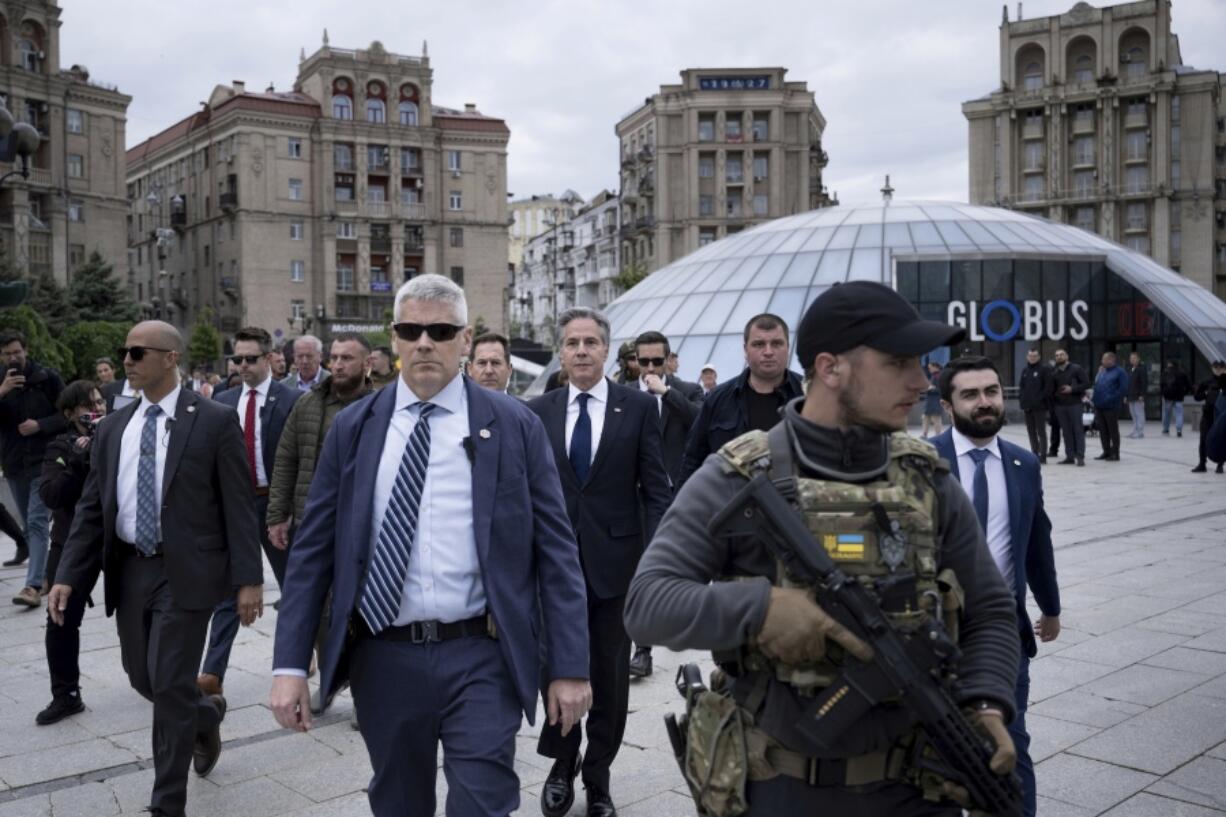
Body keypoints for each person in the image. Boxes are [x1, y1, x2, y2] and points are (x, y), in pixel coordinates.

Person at [624, 281, 1018, 816]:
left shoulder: (926, 478)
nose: (922, 380)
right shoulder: (737, 475)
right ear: (831, 369)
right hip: (779, 787)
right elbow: (647, 605)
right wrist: (760, 610)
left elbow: (992, 609)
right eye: (899, 361)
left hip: (918, 788)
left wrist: (988, 699)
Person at [269, 274, 592, 817]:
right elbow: (312, 553)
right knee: (399, 803)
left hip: (482, 655)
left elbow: (557, 552)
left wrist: (570, 665)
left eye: (440, 330)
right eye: (411, 330)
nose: (424, 342)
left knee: (483, 803)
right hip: (384, 657)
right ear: (393, 339)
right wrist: (289, 665)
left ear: (465, 340)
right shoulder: (353, 429)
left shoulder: (514, 427)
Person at [49, 320, 264, 817]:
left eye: (138, 352)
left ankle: (167, 803)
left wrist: (248, 579)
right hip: (129, 569)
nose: (127, 359)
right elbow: (91, 510)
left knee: (167, 682)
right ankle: (205, 715)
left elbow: (237, 503)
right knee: (142, 679)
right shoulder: (113, 427)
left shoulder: (211, 419)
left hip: (186, 570)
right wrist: (65, 575)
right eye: (124, 351)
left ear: (170, 357)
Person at [527, 307, 671, 817]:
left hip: (618, 568)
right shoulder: (539, 410)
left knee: (609, 678)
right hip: (555, 567)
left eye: (591, 342)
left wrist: (654, 560)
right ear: (561, 353)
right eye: (573, 343)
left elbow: (656, 490)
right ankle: (561, 764)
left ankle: (599, 776)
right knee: (559, 668)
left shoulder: (635, 408)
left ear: (608, 351)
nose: (582, 350)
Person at [932, 356, 1062, 817]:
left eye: (990, 391)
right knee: (936, 752)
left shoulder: (1023, 462)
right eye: (970, 394)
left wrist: (1050, 606)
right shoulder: (923, 464)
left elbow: (1036, 538)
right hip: (936, 634)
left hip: (1004, 631)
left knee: (1012, 742)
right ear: (948, 405)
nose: (984, 402)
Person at [267, 332, 374, 715]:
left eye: (348, 358)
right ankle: (328, 680)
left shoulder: (380, 407)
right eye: (336, 357)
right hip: (314, 523)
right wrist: (278, 515)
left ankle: (366, 695)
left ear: (368, 364)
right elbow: (285, 461)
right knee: (314, 607)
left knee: (361, 612)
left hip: (364, 529)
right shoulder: (307, 404)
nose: (340, 364)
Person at [197, 327, 301, 699]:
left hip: (277, 506)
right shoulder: (222, 401)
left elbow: (301, 460)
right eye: (237, 359)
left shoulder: (290, 400)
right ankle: (211, 674)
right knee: (229, 592)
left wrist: (288, 509)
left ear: (270, 359)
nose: (242, 365)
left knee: (297, 589)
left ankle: (310, 654)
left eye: (250, 359)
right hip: (234, 508)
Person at [627, 330, 703, 678]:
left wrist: (666, 394)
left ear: (669, 360)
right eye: (644, 362)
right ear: (635, 362)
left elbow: (701, 423)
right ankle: (641, 650)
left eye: (658, 361)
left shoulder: (686, 391)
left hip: (676, 496)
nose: (651, 368)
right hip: (636, 498)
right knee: (640, 569)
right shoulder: (624, 397)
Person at [35, 380, 106, 725]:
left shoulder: (117, 435)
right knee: (60, 615)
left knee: (147, 608)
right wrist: (78, 462)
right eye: (87, 404)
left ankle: (159, 678)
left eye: (100, 401)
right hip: (73, 540)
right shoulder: (59, 447)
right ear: (69, 413)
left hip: (119, 538)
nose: (97, 408)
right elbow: (50, 494)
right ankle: (66, 694)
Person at [679, 313, 804, 488]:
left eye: (776, 343)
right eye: (759, 344)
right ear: (745, 350)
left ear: (788, 347)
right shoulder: (718, 399)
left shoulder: (809, 396)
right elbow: (692, 460)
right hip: (730, 507)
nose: (768, 352)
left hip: (794, 509)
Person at [0, 330, 66, 607]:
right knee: (31, 524)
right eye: (7, 354)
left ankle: (32, 585)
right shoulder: (1, 383)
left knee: (37, 520)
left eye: (17, 351)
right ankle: (46, 574)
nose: (13, 357)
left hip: (44, 461)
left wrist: (40, 425)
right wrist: (1, 392)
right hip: (14, 464)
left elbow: (67, 414)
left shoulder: (48, 379)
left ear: (26, 350)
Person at [1051, 348, 1089, 466]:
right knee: (1066, 432)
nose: (1059, 357)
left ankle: (1080, 456)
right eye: (1057, 355)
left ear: (1066, 356)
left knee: (1078, 430)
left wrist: (1072, 389)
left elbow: (1087, 383)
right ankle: (1070, 456)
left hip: (1075, 404)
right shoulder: (1055, 372)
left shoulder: (1076, 368)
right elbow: (1052, 390)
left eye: (1061, 354)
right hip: (1060, 406)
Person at [1091, 352, 1128, 462]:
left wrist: (1111, 398)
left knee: (1113, 430)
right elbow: (1097, 385)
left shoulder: (1120, 372)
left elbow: (1123, 389)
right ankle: (1106, 451)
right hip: (1099, 405)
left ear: (1111, 360)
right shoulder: (1102, 372)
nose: (1102, 361)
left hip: (1111, 406)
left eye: (1104, 359)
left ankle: (1115, 453)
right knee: (1102, 430)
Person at [1017, 348, 1054, 461]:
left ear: (1038, 357)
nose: (1032, 358)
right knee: (1031, 431)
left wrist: (1040, 399)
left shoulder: (1044, 369)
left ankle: (1043, 455)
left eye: (1034, 356)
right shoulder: (1025, 371)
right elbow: (1022, 387)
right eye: (1030, 356)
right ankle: (1034, 453)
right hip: (1027, 407)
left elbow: (1048, 387)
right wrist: (1022, 399)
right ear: (1027, 357)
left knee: (1041, 431)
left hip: (1040, 407)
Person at [1192, 361, 1225, 474]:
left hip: (1221, 415)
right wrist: (1206, 394)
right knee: (1203, 439)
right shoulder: (1207, 382)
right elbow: (1196, 396)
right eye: (1216, 368)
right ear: (1212, 368)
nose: (1218, 370)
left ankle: (1220, 465)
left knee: (1222, 440)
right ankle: (1202, 464)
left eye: (1221, 368)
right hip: (1208, 414)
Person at [1160, 359, 1191, 437]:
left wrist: (1163, 394)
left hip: (1168, 396)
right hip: (1179, 397)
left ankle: (1166, 429)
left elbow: (1162, 384)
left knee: (1167, 413)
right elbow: (1188, 385)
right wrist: (1184, 393)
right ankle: (1179, 430)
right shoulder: (1182, 373)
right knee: (1179, 413)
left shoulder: (1166, 373)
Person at [1125, 352, 1148, 439]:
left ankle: (1140, 432)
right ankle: (1134, 431)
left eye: (1134, 358)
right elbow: (1128, 384)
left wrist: (1142, 394)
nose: (1132, 360)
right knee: (1133, 415)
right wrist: (1126, 396)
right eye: (1131, 358)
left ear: (1138, 359)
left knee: (1139, 414)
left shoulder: (1141, 369)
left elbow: (1144, 383)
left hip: (1138, 396)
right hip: (1131, 396)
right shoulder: (1130, 369)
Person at [921, 360, 943, 438]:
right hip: (930, 401)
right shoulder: (934, 375)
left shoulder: (939, 376)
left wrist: (931, 389)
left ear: (935, 367)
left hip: (936, 400)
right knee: (925, 417)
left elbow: (941, 389)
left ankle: (938, 434)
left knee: (935, 418)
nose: (929, 369)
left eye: (930, 367)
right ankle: (924, 434)